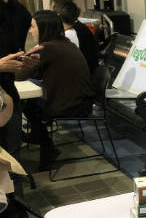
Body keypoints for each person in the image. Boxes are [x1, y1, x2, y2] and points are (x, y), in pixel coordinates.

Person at [17, 10, 94, 170]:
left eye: (32, 27)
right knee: (29, 105)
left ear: (43, 28)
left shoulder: (46, 48)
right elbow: (38, 72)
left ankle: (41, 143)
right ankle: (44, 145)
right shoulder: (65, 44)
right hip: (81, 102)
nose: (30, 31)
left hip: (70, 106)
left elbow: (20, 75)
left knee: (25, 106)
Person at [0, 0, 32, 162]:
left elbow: (22, 18)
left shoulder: (8, 10)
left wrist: (24, 59)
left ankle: (15, 194)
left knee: (12, 156)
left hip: (7, 92)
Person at [52, 0, 99, 73]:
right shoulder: (75, 27)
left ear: (58, 13)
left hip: (83, 75)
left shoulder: (72, 32)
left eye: (52, 11)